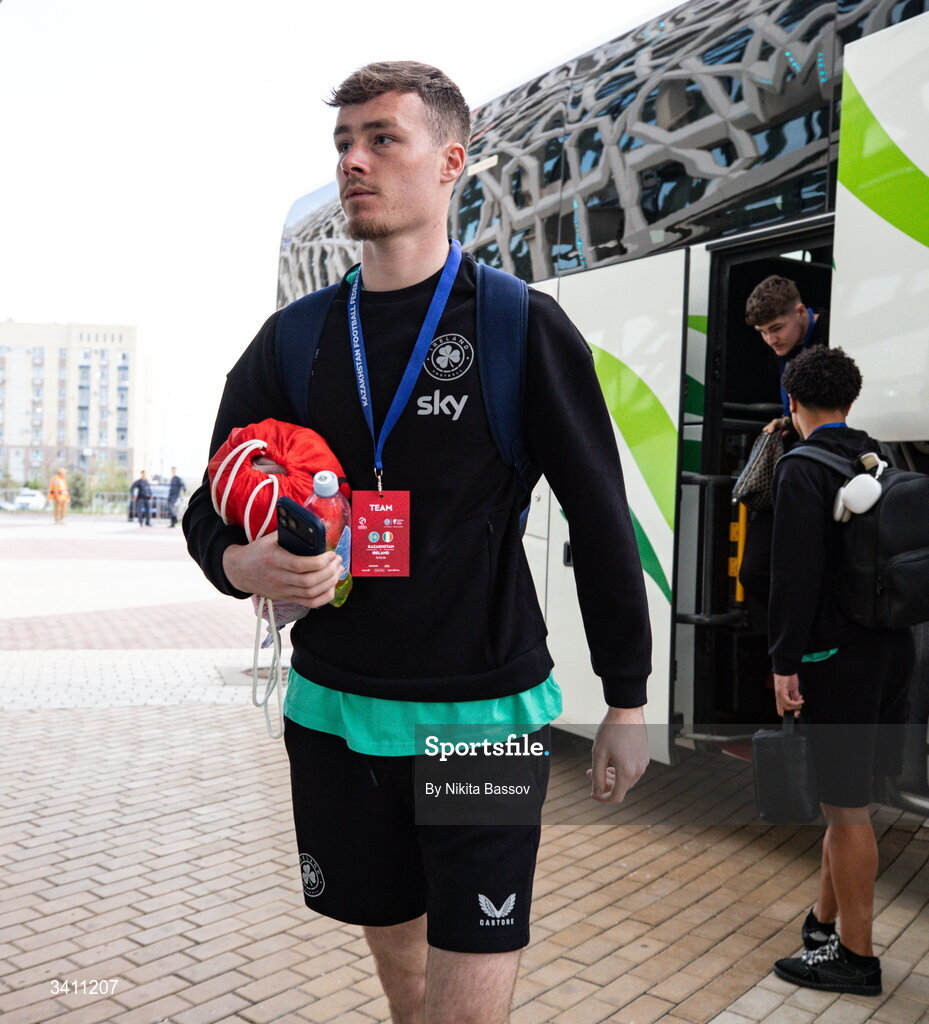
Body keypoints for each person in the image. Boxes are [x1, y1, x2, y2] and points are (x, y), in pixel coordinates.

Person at [184, 61, 651, 1024]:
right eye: (342, 143)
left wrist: (628, 697)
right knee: (404, 977)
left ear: (450, 162)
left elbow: (602, 517)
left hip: (480, 714)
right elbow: (208, 505)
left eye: (380, 138)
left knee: (467, 993)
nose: (354, 160)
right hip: (333, 714)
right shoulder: (294, 339)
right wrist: (242, 564)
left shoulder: (520, 326)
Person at [768, 346, 914, 996]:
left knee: (846, 811)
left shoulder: (802, 468)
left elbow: (793, 576)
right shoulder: (876, 455)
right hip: (890, 651)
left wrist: (783, 663)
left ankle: (856, 958)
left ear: (791, 403)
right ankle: (822, 924)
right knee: (844, 803)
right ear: (849, 403)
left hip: (836, 662)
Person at [739, 275, 829, 617]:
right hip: (792, 459)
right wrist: (787, 422)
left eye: (776, 328)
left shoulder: (834, 338)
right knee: (755, 571)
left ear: (801, 311)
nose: (770, 339)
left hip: (824, 464)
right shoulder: (781, 349)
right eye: (762, 332)